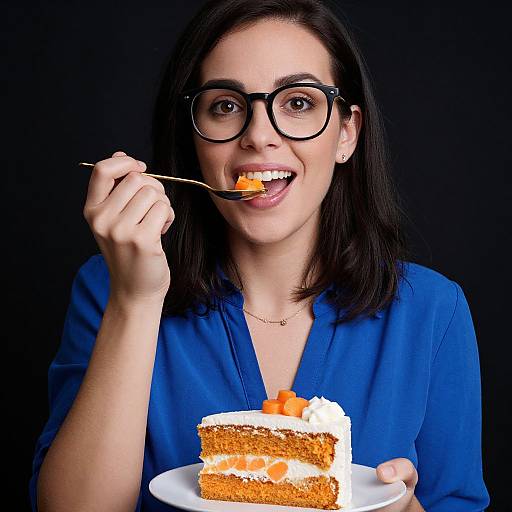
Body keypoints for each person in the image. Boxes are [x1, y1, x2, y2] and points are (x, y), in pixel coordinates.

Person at [30, 0, 490, 510]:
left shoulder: (432, 311)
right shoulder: (111, 286)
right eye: (226, 105)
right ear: (193, 137)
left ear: (346, 133)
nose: (259, 136)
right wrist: (135, 303)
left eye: (297, 102)